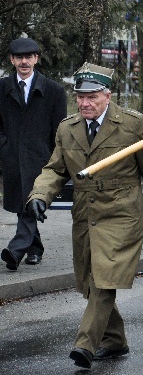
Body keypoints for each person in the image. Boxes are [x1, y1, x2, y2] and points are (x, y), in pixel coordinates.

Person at [25, 62, 143, 369]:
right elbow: (55, 169)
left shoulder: (132, 124)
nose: (84, 103)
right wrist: (39, 196)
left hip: (121, 216)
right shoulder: (68, 128)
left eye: (92, 96)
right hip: (85, 216)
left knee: (105, 280)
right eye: (80, 96)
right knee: (91, 283)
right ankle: (115, 340)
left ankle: (85, 344)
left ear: (108, 96)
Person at [0, 38, 67, 271]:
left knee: (31, 200)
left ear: (37, 59)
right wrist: (4, 145)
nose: (24, 62)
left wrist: (56, 160)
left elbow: (60, 131)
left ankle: (16, 250)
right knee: (23, 203)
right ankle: (35, 249)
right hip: (12, 158)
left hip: (41, 160)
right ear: (12, 60)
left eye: (29, 57)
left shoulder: (55, 91)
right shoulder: (2, 88)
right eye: (19, 57)